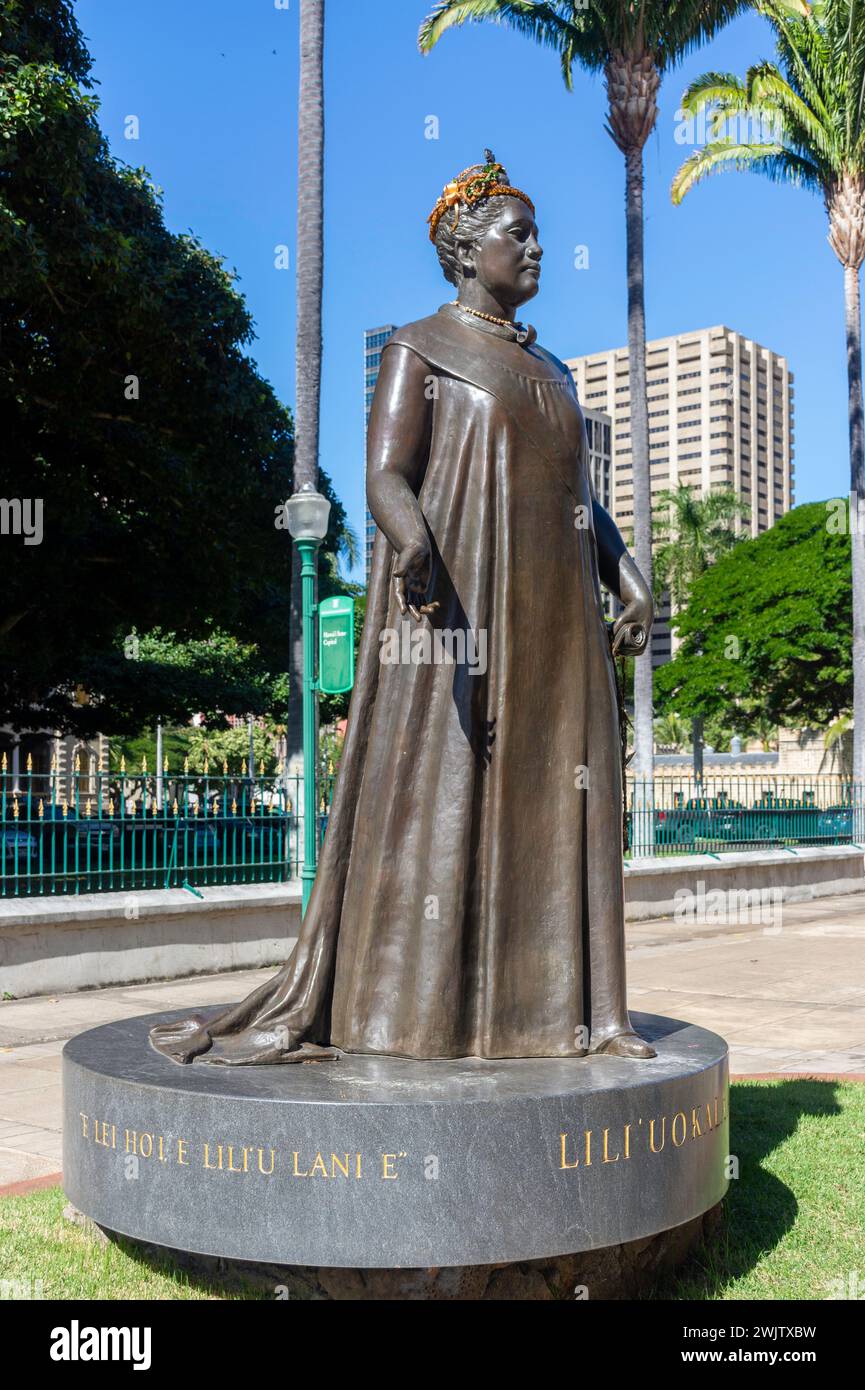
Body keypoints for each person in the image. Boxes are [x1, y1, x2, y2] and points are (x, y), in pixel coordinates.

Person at [150, 153, 656, 1066]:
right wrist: (412, 538)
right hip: (463, 612)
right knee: (452, 802)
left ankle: (593, 1018)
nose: (537, 248)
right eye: (518, 233)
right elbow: (386, 470)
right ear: (466, 250)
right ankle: (422, 1016)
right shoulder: (420, 348)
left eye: (536, 232)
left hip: (559, 629)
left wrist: (627, 577)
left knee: (567, 803)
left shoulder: (556, 373)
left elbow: (585, 498)